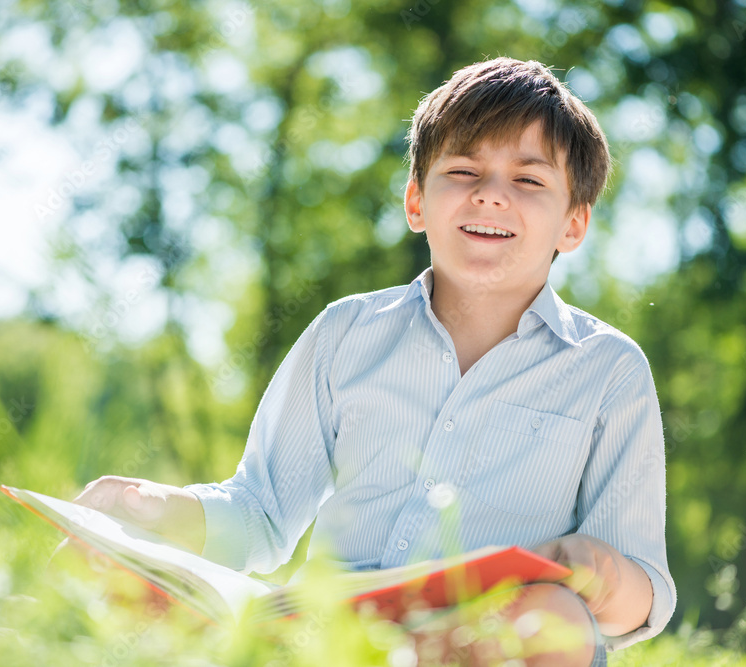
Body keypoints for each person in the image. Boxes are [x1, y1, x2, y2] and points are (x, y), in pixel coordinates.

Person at [76, 57, 676, 666]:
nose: (491, 194)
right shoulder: (346, 332)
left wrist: (602, 573)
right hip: (328, 634)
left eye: (529, 181)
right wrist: (149, 507)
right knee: (99, 548)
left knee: (557, 617)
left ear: (573, 225)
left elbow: (642, 597)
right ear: (417, 202)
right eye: (464, 170)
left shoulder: (608, 370)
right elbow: (260, 514)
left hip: (476, 641)